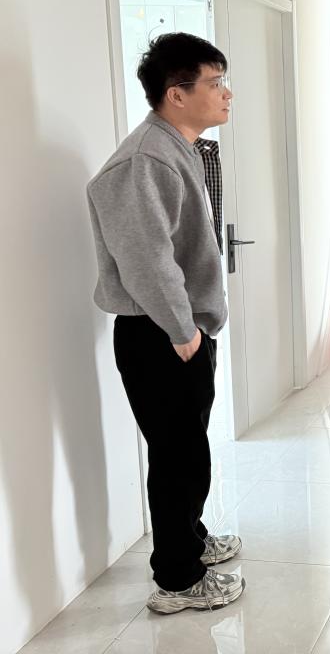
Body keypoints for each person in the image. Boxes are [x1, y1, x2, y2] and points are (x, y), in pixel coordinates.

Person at [87, 33, 244, 612]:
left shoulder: (179, 149)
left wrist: (193, 330)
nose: (226, 93)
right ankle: (177, 580)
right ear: (176, 94)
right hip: (161, 333)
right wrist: (183, 332)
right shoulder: (144, 161)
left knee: (187, 450)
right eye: (215, 83)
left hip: (180, 330)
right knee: (177, 457)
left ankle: (191, 541)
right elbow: (147, 261)